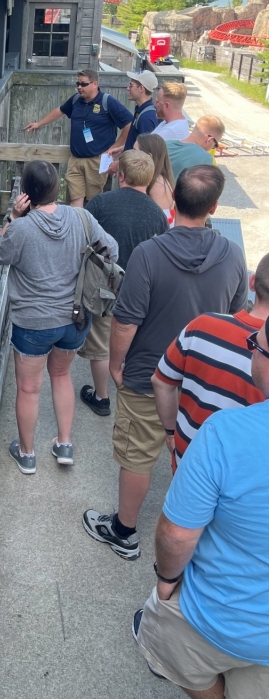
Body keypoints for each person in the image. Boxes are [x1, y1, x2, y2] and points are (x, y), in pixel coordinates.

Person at [83, 165, 248, 560]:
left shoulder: (149, 254)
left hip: (148, 371)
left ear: (173, 200)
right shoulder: (232, 255)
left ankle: (123, 531)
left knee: (138, 454)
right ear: (215, 206)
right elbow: (236, 313)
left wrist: (118, 365)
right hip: (204, 380)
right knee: (197, 455)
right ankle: (190, 535)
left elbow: (126, 321)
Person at [133, 314, 269, 699]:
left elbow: (176, 534)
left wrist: (165, 580)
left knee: (156, 635)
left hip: (215, 614)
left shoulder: (226, 433)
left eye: (257, 344)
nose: (251, 348)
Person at [0, 160, 119, 473]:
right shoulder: (81, 217)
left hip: (33, 323)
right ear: (57, 188)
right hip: (75, 319)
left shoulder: (20, 229)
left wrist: (12, 218)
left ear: (26, 193)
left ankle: (27, 453)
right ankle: (64, 444)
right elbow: (111, 250)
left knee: (29, 389)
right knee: (61, 376)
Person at [153, 252, 269, 470]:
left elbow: (161, 381)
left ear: (252, 282)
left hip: (188, 460)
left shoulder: (202, 325)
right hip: (245, 480)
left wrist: (171, 433)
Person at [78, 150, 169, 417]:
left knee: (101, 346)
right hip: (142, 289)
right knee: (133, 339)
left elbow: (84, 240)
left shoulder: (100, 203)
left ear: (120, 176)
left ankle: (102, 396)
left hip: (105, 287)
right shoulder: (157, 215)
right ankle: (131, 390)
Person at [24, 69, 133, 207]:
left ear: (94, 84)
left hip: (96, 160)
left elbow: (129, 124)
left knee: (94, 202)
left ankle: (89, 228)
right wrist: (39, 123)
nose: (79, 87)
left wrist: (115, 147)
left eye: (83, 84)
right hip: (75, 160)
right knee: (75, 201)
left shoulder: (107, 102)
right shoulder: (76, 100)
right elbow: (60, 111)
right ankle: (76, 227)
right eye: (78, 83)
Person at [166, 115, 224, 180]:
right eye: (215, 145)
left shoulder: (165, 143)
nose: (213, 148)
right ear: (209, 140)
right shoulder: (205, 158)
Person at [137, 133, 176, 225]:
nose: (132, 154)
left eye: (135, 151)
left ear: (149, 156)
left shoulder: (158, 187)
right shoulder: (152, 181)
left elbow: (163, 224)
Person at [123, 71, 159, 150]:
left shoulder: (146, 119)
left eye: (131, 85)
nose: (128, 88)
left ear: (141, 88)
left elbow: (144, 154)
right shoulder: (142, 111)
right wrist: (122, 148)